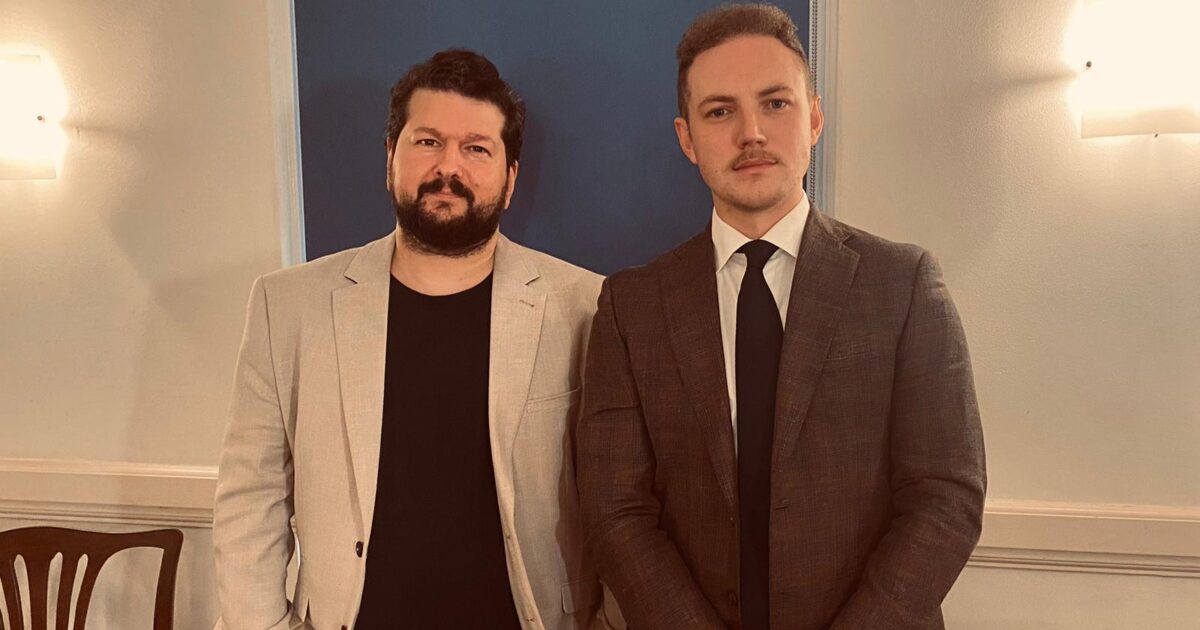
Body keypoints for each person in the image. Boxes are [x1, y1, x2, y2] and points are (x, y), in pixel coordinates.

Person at [576, 5, 986, 629]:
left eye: (775, 103)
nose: (752, 133)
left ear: (814, 117)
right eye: (720, 111)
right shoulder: (631, 307)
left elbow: (946, 496)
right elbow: (615, 508)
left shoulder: (902, 285)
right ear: (686, 138)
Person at [214, 49, 608, 630]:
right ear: (390, 157)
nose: (449, 167)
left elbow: (623, 501)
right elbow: (252, 497)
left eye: (477, 148)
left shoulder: (587, 306)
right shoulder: (287, 306)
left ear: (511, 177)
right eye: (428, 142)